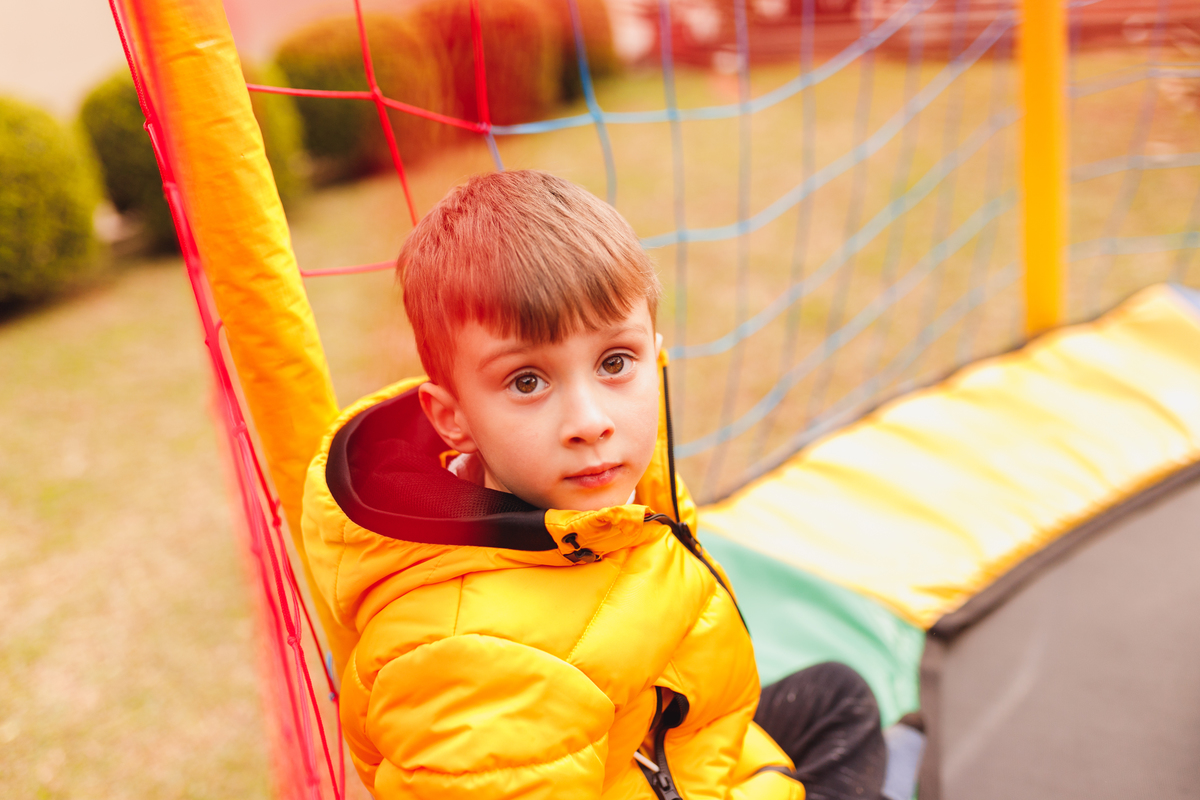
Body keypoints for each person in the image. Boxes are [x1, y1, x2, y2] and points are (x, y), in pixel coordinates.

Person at [301, 169, 886, 799]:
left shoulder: (612, 495)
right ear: (454, 419)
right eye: (528, 381)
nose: (590, 422)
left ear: (654, 357)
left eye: (614, 363)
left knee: (839, 698)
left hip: (679, 752)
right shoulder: (466, 664)